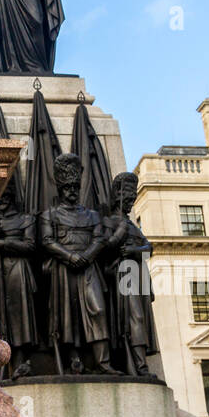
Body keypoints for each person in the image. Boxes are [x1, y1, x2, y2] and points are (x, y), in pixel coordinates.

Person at [39, 153, 126, 375]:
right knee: (68, 315)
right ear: (60, 188)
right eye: (67, 188)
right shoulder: (49, 215)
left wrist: (86, 256)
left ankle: (103, 362)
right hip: (63, 268)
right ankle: (74, 360)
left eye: (75, 188)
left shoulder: (92, 215)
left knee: (97, 309)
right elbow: (47, 241)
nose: (72, 192)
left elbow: (99, 239)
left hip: (88, 267)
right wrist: (69, 256)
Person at [0, 178, 38, 378]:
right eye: (0, 196)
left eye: (6, 196)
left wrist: (4, 244)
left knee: (19, 316)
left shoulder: (25, 219)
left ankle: (20, 361)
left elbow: (31, 245)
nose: (3, 200)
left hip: (18, 270)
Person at [104, 172, 160, 377]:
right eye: (127, 199)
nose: (130, 203)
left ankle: (139, 363)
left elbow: (149, 247)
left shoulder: (132, 225)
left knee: (141, 320)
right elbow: (106, 247)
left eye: (132, 200)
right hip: (124, 274)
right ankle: (139, 366)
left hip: (138, 276)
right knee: (133, 318)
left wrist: (135, 251)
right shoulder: (110, 223)